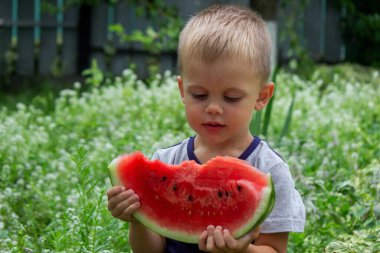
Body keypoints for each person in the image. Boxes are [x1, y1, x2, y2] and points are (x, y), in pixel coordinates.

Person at [107, 4, 305, 253]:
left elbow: (275, 249)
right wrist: (137, 218)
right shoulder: (167, 160)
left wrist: (241, 251)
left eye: (231, 98)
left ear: (262, 96)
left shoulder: (270, 171)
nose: (213, 108)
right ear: (182, 91)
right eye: (199, 95)